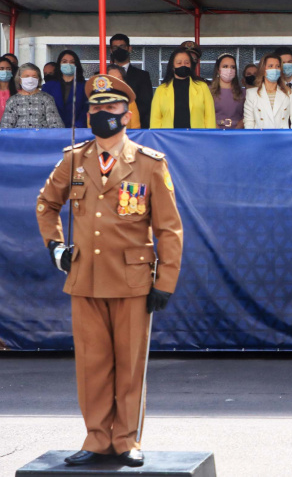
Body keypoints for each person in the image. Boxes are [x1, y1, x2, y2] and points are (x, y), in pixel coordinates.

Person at [35, 73, 183, 468]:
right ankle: (96, 438)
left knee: (130, 365)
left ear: (128, 115)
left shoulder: (150, 164)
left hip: (133, 281)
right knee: (92, 365)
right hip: (85, 278)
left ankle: (127, 440)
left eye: (111, 106)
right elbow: (46, 204)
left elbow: (169, 228)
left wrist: (165, 280)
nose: (102, 112)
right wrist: (56, 247)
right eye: (96, 107)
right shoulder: (74, 159)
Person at [149, 47, 215, 129]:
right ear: (172, 66)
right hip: (168, 139)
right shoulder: (161, 90)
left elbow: (210, 117)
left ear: (191, 65)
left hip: (197, 139)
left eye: (187, 63)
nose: (183, 65)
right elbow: (155, 120)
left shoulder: (202, 87)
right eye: (179, 63)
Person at [243, 53, 292, 129]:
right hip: (260, 138)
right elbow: (249, 122)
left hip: (283, 139)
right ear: (263, 70)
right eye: (270, 66)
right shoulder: (251, 93)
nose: (274, 69)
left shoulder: (288, 92)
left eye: (277, 66)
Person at [109, 34, 154, 130]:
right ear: (111, 50)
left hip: (135, 129)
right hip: (107, 127)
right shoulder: (101, 75)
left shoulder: (142, 76)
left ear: (129, 48)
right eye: (115, 47)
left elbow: (146, 105)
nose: (119, 50)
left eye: (122, 46)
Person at [0, 63, 64, 128]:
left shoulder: (47, 99)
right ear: (19, 80)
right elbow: (5, 128)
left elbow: (56, 126)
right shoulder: (12, 101)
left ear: (38, 79)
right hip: (19, 137)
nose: (30, 80)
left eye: (34, 76)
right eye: (27, 76)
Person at [42, 50, 89, 128]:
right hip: (53, 130)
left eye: (72, 62)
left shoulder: (85, 86)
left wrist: (78, 125)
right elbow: (44, 110)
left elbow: (87, 108)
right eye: (64, 61)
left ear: (76, 65)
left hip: (77, 131)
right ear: (59, 64)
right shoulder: (48, 86)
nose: (68, 64)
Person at [210, 53, 245, 129]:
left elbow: (247, 115)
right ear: (218, 70)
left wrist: (237, 130)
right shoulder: (208, 91)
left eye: (232, 67)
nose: (229, 70)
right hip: (214, 133)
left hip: (237, 134)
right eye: (225, 66)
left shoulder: (243, 92)